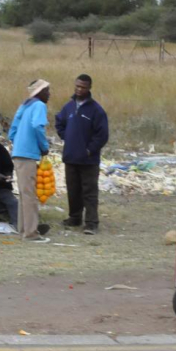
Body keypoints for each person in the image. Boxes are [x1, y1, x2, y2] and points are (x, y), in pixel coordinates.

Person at [55, 74, 109, 235]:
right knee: (73, 190)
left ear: (89, 88)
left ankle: (91, 223)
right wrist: (68, 139)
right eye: (77, 86)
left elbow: (102, 135)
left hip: (88, 160)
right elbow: (59, 122)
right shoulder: (69, 107)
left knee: (89, 192)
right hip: (70, 157)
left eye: (83, 87)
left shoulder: (96, 110)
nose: (79, 89)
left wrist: (89, 149)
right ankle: (74, 217)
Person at [8, 79, 52, 243]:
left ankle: (23, 230)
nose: (49, 94)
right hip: (28, 154)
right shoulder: (39, 105)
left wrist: (17, 142)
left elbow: (13, 129)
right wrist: (44, 146)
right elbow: (37, 126)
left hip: (18, 153)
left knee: (24, 193)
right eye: (47, 90)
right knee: (30, 195)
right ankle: (31, 233)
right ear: (39, 92)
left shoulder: (24, 105)